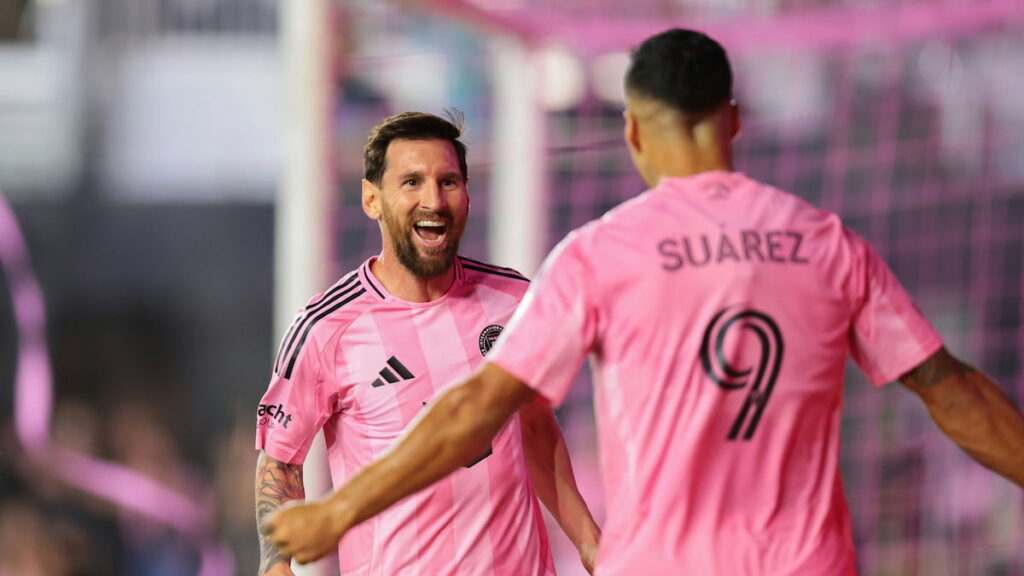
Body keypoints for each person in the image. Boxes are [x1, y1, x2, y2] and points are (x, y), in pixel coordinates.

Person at [263, 30, 1024, 574]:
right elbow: (950, 388)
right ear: (733, 120)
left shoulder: (597, 257)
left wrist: (339, 511)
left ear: (632, 131)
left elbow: (478, 409)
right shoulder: (826, 244)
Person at [254, 111, 600, 575]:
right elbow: (280, 460)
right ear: (371, 199)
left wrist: (590, 544)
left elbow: (536, 425)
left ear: (468, 195)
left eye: (448, 182)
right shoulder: (325, 327)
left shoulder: (516, 300)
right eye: (412, 182)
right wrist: (276, 566)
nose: (433, 201)